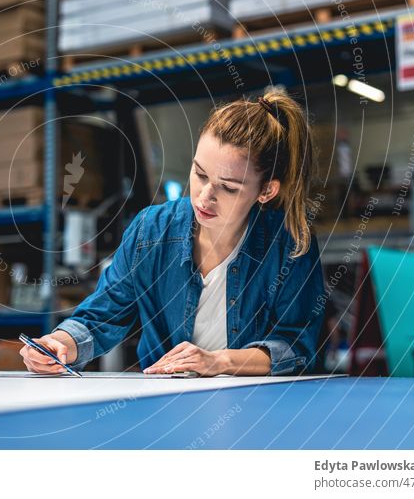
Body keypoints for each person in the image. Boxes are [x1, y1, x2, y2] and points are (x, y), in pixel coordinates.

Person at [20, 88, 326, 377]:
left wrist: (218, 361)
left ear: (266, 190)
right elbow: (104, 314)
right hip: (164, 403)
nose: (205, 196)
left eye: (229, 188)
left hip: (254, 407)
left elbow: (296, 346)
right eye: (200, 173)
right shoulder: (151, 230)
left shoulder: (290, 244)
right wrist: (60, 343)